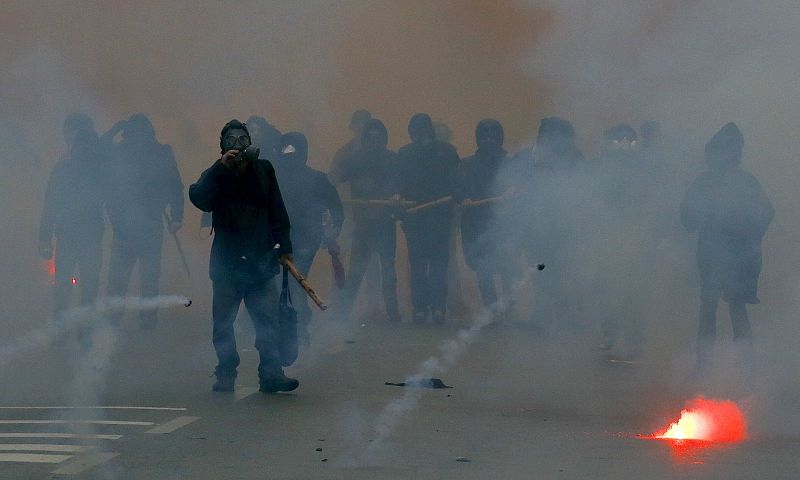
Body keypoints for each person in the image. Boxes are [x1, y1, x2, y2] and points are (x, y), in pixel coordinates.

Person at [189, 119, 298, 393]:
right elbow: (199, 198)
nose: (238, 145)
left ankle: (271, 373)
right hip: (227, 265)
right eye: (231, 141)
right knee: (223, 325)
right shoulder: (216, 174)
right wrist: (220, 168)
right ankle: (226, 374)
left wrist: (284, 247)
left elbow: (277, 210)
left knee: (268, 322)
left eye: (243, 139)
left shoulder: (264, 170)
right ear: (222, 146)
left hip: (261, 262)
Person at [680, 123, 774, 370]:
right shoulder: (743, 181)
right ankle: (743, 367)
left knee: (715, 307)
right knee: (731, 308)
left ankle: (708, 367)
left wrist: (747, 236)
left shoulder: (709, 182)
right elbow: (766, 212)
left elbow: (687, 220)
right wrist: (750, 238)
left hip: (728, 255)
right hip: (728, 255)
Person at [103, 114, 184, 330]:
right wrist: (114, 130)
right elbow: (99, 153)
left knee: (147, 276)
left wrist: (177, 216)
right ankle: (115, 318)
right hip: (124, 225)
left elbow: (174, 185)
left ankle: (146, 319)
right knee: (120, 278)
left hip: (149, 223)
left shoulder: (161, 153)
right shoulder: (119, 153)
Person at [511, 117, 584, 335]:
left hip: (560, 228)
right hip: (534, 227)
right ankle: (545, 316)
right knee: (540, 272)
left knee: (556, 273)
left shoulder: (573, 158)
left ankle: (561, 317)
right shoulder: (526, 157)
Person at [273, 132, 344, 342]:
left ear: (303, 153)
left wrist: (331, 234)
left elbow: (336, 208)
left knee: (294, 283)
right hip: (277, 240)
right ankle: (292, 327)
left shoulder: (317, 179)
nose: (289, 155)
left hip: (305, 241)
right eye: (285, 150)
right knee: (279, 283)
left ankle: (300, 328)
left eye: (293, 150)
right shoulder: (273, 178)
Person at [330, 118, 401, 322]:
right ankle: (343, 313)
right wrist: (329, 196)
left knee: (388, 271)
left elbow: (401, 183)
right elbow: (334, 178)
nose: (374, 140)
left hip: (385, 223)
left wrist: (397, 195)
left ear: (384, 138)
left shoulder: (391, 159)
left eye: (378, 136)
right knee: (356, 271)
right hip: (363, 224)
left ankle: (393, 312)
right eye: (370, 136)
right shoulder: (355, 160)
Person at [39, 114, 106, 322]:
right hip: (88, 236)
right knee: (88, 288)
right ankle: (84, 331)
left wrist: (44, 240)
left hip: (69, 235)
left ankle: (62, 329)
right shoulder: (100, 171)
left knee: (64, 287)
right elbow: (117, 201)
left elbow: (49, 207)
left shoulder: (63, 168)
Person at [395, 113, 460, 324]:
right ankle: (420, 307)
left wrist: (455, 195)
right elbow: (398, 184)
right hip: (415, 218)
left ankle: (438, 307)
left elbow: (457, 180)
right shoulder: (404, 154)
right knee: (419, 264)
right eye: (417, 130)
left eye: (424, 129)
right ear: (411, 133)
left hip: (440, 216)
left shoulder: (447, 152)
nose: (422, 134)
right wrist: (399, 203)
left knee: (439, 263)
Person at [457, 119, 512, 317]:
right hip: (476, 223)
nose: (488, 140)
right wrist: (464, 198)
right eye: (484, 136)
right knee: (483, 269)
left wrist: (511, 194)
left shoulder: (511, 164)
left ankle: (508, 308)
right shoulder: (467, 164)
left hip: (504, 224)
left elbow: (522, 188)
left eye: (492, 137)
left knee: (506, 267)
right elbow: (458, 188)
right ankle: (492, 310)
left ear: (500, 138)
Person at [330, 109, 372, 178]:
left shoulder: (379, 154)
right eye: (359, 128)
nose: (362, 128)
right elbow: (333, 179)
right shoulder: (343, 154)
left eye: (365, 126)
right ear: (352, 127)